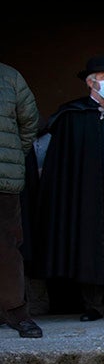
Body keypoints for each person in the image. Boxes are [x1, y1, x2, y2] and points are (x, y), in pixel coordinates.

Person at [34, 56, 104, 323]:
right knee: (89, 244)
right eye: (103, 78)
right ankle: (92, 305)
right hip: (86, 192)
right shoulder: (74, 115)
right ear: (90, 82)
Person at [0, 62, 42, 337]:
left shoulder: (10, 77)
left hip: (4, 178)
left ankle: (15, 311)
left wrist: (12, 156)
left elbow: (29, 123)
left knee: (7, 248)